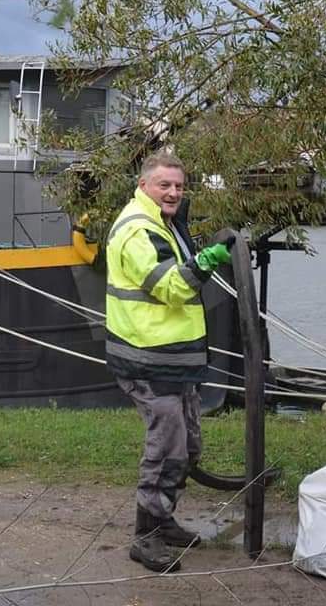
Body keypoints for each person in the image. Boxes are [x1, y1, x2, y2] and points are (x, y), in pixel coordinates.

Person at [105, 152, 233, 573]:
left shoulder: (163, 224)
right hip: (148, 362)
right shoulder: (138, 230)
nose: (174, 192)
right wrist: (207, 260)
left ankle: (164, 520)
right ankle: (145, 537)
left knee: (187, 445)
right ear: (144, 186)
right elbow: (171, 287)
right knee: (166, 449)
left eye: (179, 185)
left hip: (174, 361)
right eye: (164, 185)